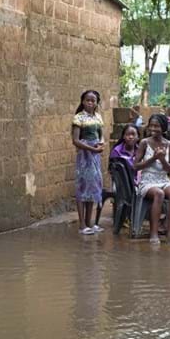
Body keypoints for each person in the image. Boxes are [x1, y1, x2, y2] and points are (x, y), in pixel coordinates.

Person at [134, 114, 170, 244]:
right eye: (151, 126)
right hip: (147, 181)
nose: (153, 128)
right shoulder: (144, 143)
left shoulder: (169, 145)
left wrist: (162, 160)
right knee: (159, 194)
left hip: (163, 179)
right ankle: (153, 233)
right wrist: (153, 158)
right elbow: (135, 166)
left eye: (157, 126)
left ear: (164, 128)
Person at [71, 90, 105, 235]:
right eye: (88, 100)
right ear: (83, 101)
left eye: (93, 100)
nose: (90, 103)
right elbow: (76, 140)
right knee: (82, 187)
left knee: (93, 187)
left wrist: (101, 144)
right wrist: (92, 148)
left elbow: (101, 135)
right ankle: (82, 224)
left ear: (97, 102)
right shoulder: (79, 118)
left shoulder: (98, 117)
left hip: (95, 156)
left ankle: (90, 223)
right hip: (84, 156)